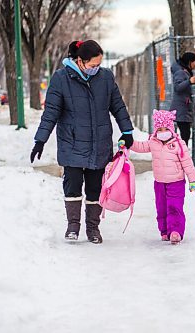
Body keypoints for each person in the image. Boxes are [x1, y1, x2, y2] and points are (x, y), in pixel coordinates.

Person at [30, 40, 134, 244]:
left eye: (99, 64)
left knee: (96, 188)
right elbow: (51, 112)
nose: (97, 68)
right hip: (72, 143)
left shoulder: (105, 77)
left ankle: (93, 228)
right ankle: (73, 226)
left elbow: (118, 106)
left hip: (99, 143)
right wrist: (40, 139)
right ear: (80, 61)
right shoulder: (61, 78)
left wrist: (127, 130)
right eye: (93, 65)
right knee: (73, 186)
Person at [130, 109, 195, 244]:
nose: (163, 132)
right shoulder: (153, 142)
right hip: (159, 183)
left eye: (165, 128)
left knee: (174, 207)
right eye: (160, 129)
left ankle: (175, 231)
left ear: (171, 128)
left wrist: (193, 181)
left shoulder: (178, 144)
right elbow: (140, 147)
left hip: (176, 182)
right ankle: (164, 231)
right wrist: (129, 142)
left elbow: (187, 163)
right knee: (161, 207)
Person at [170, 52, 195, 146]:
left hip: (184, 109)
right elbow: (178, 87)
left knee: (185, 134)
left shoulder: (185, 72)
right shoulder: (181, 72)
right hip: (181, 109)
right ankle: (182, 155)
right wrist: (189, 81)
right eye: (194, 62)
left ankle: (182, 154)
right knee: (185, 135)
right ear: (189, 62)